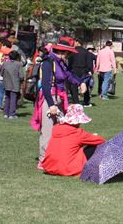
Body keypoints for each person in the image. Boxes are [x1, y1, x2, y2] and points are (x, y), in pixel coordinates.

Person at [30, 41, 84, 169]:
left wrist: (80, 82)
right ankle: (43, 160)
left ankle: (55, 156)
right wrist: (51, 105)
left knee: (60, 129)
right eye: (69, 53)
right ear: (64, 52)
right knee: (48, 130)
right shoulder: (48, 62)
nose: (69, 56)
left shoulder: (60, 63)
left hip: (59, 98)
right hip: (49, 99)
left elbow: (69, 75)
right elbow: (45, 85)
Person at [41, 104, 105, 176]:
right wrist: (93, 136)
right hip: (69, 169)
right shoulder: (78, 133)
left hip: (50, 167)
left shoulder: (56, 128)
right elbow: (101, 140)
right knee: (96, 145)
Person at [69, 40, 93, 107]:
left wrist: (69, 69)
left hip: (74, 70)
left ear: (77, 42)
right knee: (86, 86)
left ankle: (76, 101)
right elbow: (89, 63)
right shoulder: (86, 52)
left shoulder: (72, 51)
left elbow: (70, 62)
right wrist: (90, 71)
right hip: (84, 70)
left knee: (74, 87)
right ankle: (86, 102)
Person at [0, 51, 23, 119]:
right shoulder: (19, 64)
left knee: (7, 98)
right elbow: (21, 76)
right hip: (15, 84)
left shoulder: (5, 64)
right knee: (13, 98)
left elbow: (1, 73)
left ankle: (5, 113)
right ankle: (12, 114)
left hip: (7, 83)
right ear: (16, 57)